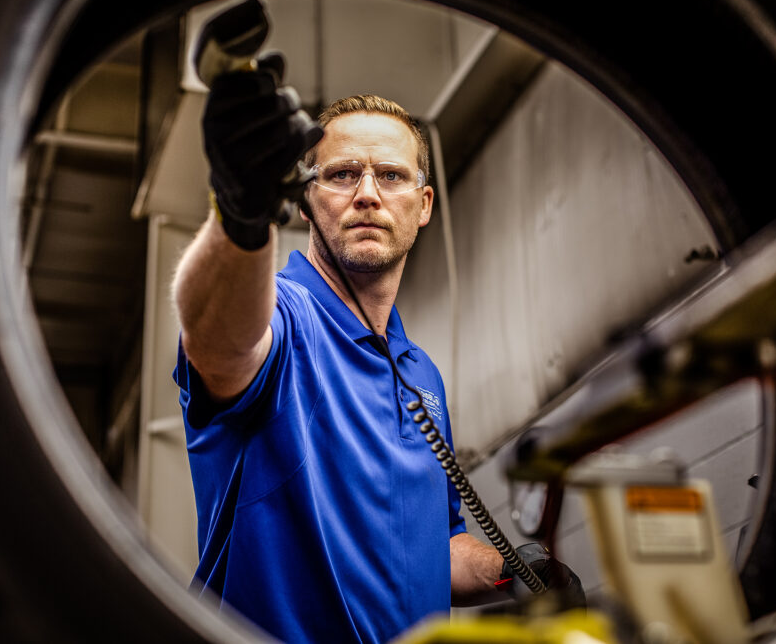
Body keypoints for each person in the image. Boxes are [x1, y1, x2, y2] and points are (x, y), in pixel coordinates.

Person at [172, 53, 581, 643]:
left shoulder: (421, 376)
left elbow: (433, 545)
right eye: (341, 174)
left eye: (390, 175)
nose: (367, 194)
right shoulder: (285, 316)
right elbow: (219, 340)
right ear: (308, 198)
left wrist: (510, 570)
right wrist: (239, 217)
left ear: (424, 205)